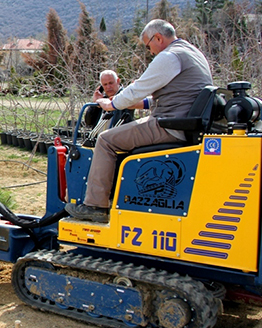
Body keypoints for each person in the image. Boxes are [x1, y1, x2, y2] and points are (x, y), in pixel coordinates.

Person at [65, 19, 213, 223]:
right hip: (183, 121)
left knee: (106, 140)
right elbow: (177, 96)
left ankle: (95, 206)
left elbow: (137, 89)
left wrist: (111, 104)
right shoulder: (193, 54)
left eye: (148, 45)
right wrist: (137, 104)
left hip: (169, 125)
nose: (150, 51)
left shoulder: (169, 57)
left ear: (158, 38)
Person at [82, 70, 135, 147]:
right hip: (97, 142)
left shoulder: (126, 97)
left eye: (111, 83)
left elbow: (125, 119)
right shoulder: (102, 100)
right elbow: (88, 121)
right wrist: (95, 104)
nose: (108, 87)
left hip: (116, 143)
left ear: (118, 81)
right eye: (105, 84)